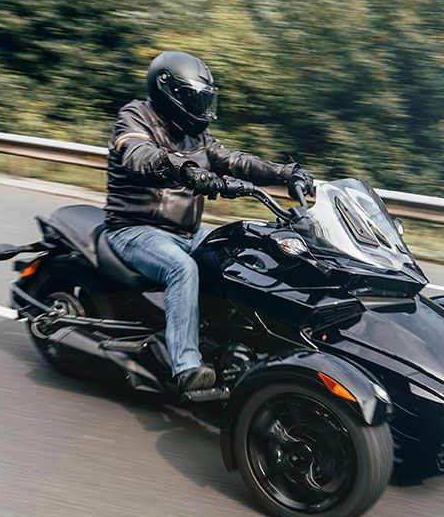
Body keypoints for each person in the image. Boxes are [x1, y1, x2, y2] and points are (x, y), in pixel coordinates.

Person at [104, 51, 313, 394]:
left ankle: (236, 343)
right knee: (182, 269)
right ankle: (186, 366)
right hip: (134, 228)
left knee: (247, 255)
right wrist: (182, 168)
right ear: (169, 93)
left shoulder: (196, 136)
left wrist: (285, 173)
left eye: (204, 99)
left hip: (186, 231)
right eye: (193, 99)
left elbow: (235, 161)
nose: (200, 107)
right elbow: (137, 153)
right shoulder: (134, 116)